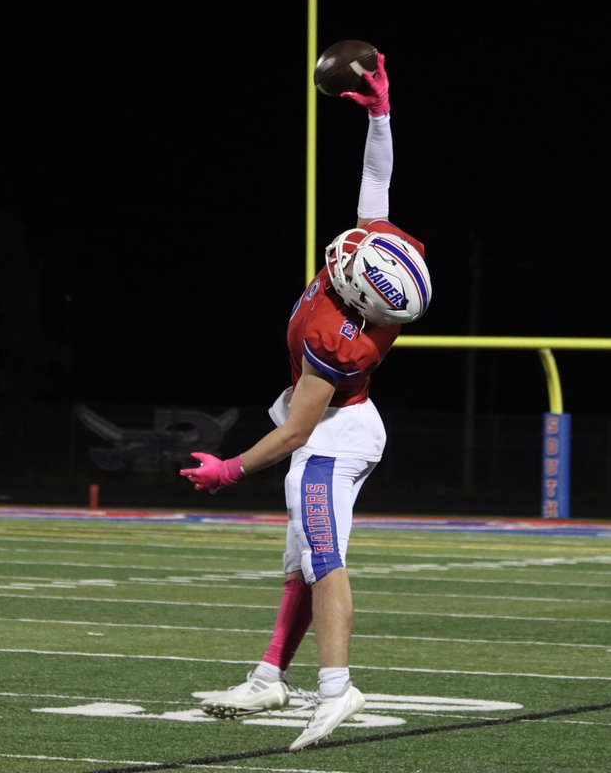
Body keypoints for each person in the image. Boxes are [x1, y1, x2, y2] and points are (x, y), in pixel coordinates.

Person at [179, 51, 431, 752]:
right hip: (335, 425)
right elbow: (375, 180)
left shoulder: (338, 337)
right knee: (299, 564)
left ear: (358, 299)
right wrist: (380, 112)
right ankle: (268, 678)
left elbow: (295, 432)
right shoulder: (374, 278)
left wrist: (229, 470)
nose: (346, 249)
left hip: (334, 436)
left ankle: (336, 688)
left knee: (325, 559)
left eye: (350, 261)